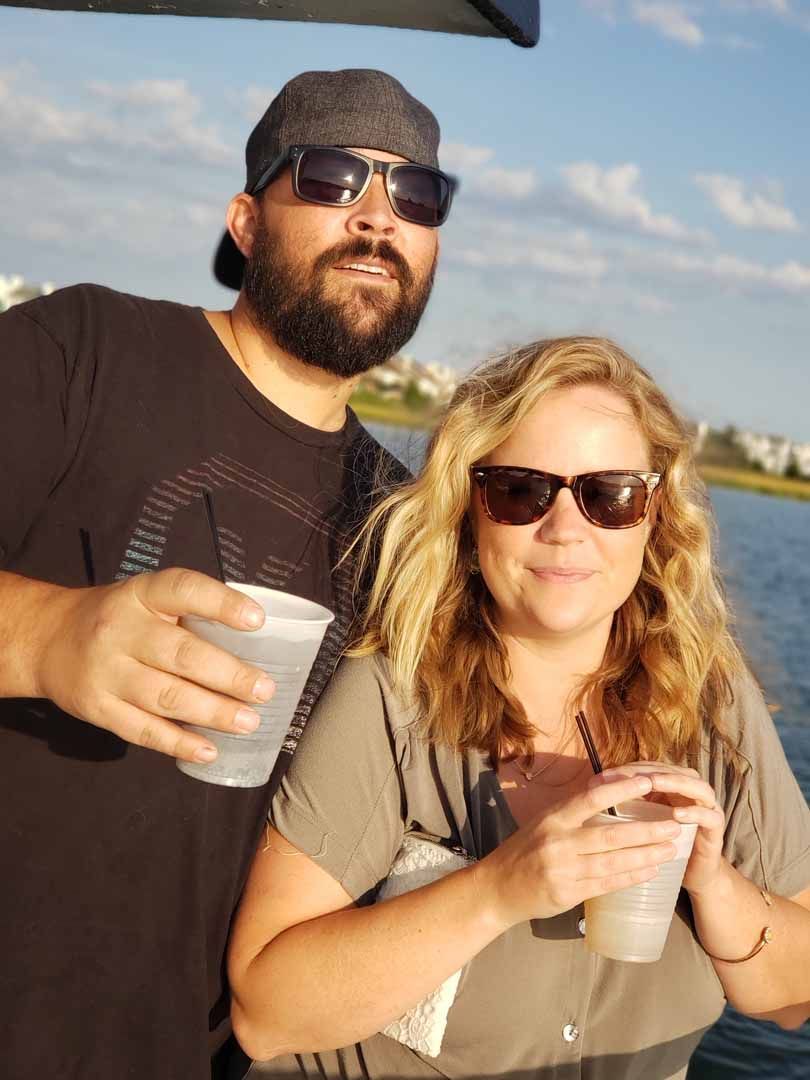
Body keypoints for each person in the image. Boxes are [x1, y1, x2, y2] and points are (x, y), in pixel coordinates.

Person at [0, 69, 455, 1080]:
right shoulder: (83, 349)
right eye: (335, 178)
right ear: (247, 221)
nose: (379, 216)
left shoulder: (401, 521)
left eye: (417, 195)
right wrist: (43, 638)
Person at [226, 337, 810, 1080]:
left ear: (654, 515)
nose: (566, 527)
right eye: (521, 491)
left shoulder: (715, 706)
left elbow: (793, 1000)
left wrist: (714, 885)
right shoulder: (397, 695)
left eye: (611, 495)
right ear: (470, 512)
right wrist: (500, 889)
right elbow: (266, 1013)